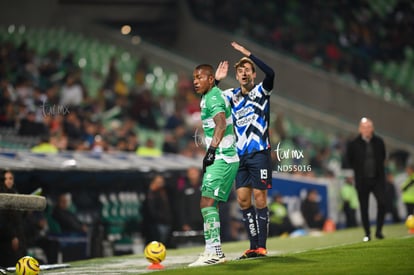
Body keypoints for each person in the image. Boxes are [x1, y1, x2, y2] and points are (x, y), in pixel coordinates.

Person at [215, 41, 275, 259]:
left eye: (247, 70)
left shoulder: (262, 91)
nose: (243, 73)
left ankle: (261, 246)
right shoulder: (231, 95)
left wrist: (248, 53)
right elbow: (209, 100)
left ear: (253, 75)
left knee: (260, 197)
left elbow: (271, 72)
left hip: (259, 153)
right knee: (242, 199)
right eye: (239, 70)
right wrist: (216, 81)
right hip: (240, 156)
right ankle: (252, 246)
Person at [188, 64, 239, 267]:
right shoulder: (209, 95)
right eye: (194, 78)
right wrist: (215, 81)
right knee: (210, 204)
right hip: (220, 157)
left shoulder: (213, 96)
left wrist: (210, 151)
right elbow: (214, 94)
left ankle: (214, 252)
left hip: (223, 157)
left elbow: (221, 123)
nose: (195, 81)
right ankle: (212, 250)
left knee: (207, 202)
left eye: (199, 77)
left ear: (209, 80)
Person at [346, 117, 386, 242]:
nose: (367, 130)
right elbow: (350, 160)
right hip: (362, 181)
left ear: (372, 128)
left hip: (377, 179)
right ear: (360, 129)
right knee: (364, 208)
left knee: (382, 203)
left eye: (369, 127)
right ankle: (367, 233)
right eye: (364, 127)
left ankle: (379, 231)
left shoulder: (379, 141)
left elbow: (383, 156)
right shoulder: (354, 144)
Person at [0, 170, 26, 267]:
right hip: (6, 240)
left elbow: (18, 218)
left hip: (18, 235)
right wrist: (12, 235)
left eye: (11, 178)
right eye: (5, 179)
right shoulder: (2, 195)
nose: (8, 181)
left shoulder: (14, 193)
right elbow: (2, 219)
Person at [142, 174, 173, 247]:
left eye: (161, 182)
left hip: (167, 221)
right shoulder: (151, 193)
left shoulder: (165, 191)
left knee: (165, 242)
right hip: (157, 223)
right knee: (157, 241)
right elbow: (151, 209)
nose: (161, 184)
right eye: (158, 182)